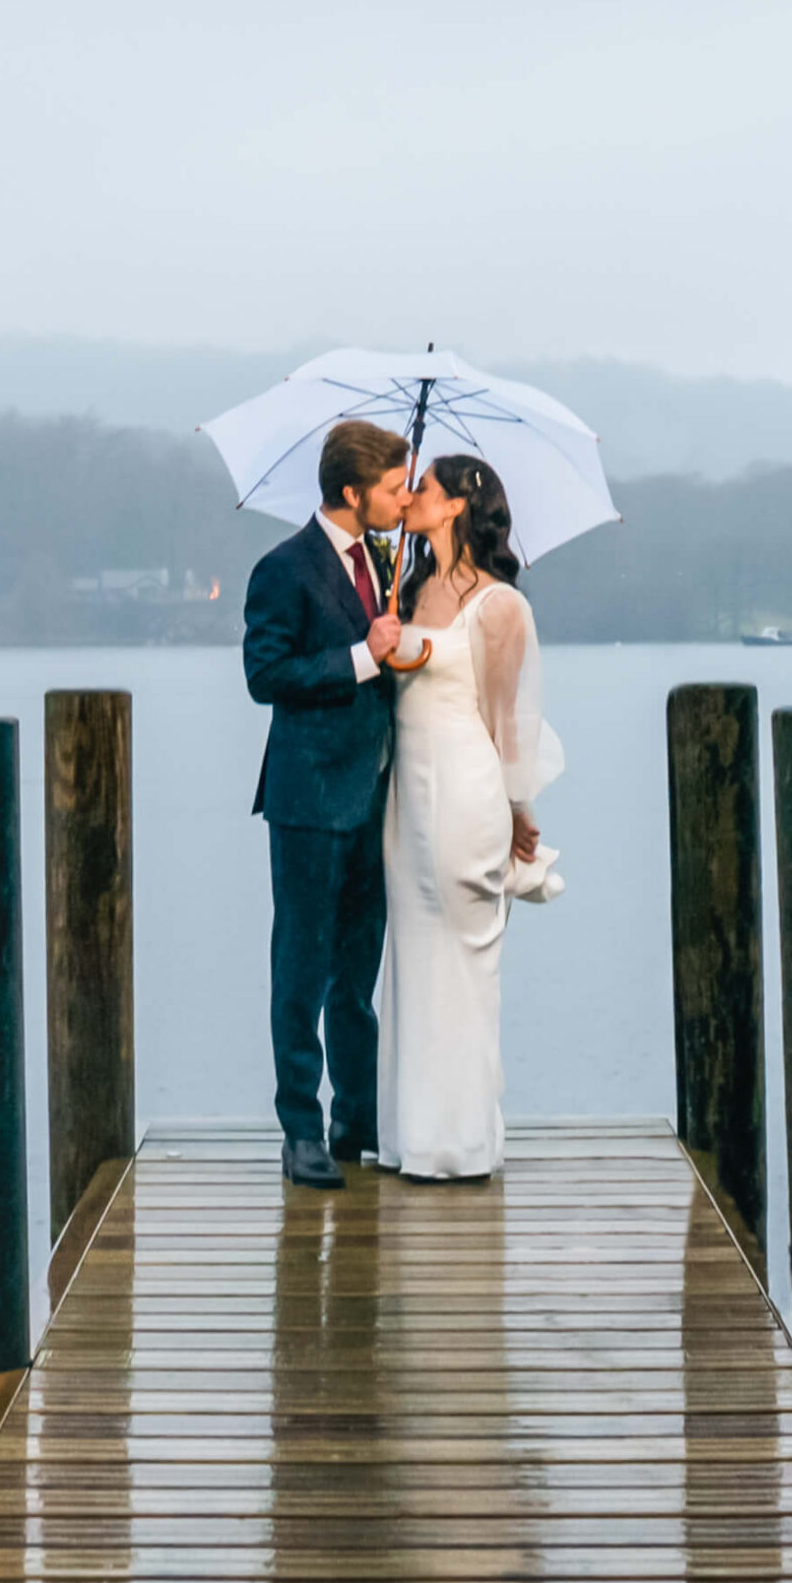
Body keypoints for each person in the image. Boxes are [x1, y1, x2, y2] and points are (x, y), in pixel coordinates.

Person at [377, 453, 563, 1181]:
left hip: (464, 789)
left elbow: (507, 720)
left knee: (462, 957)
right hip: (404, 797)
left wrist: (520, 808)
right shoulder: (409, 587)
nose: (410, 497)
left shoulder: (499, 605)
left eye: (421, 489)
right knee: (414, 956)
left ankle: (460, 1143)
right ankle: (410, 1137)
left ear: (455, 506)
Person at [243, 419, 411, 1188]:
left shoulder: (385, 564)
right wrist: (360, 655)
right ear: (351, 492)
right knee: (301, 967)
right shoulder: (281, 568)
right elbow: (265, 675)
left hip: (374, 795)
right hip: (307, 799)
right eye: (391, 488)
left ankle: (356, 1117)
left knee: (357, 971)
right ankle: (299, 1129)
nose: (402, 501)